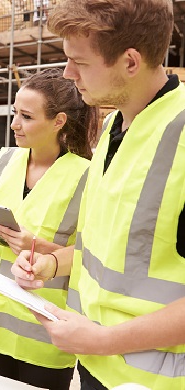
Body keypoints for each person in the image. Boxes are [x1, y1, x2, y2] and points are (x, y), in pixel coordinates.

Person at [11, 1, 185, 389]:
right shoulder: (112, 128)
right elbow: (111, 251)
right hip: (95, 367)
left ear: (130, 62)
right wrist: (50, 265)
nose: (69, 74)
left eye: (80, 62)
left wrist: (106, 340)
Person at [0, 68, 99, 389]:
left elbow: (92, 254)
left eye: (26, 116)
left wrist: (33, 243)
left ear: (59, 121)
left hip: (42, 333)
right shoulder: (5, 160)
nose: (14, 124)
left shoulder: (87, 176)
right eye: (15, 113)